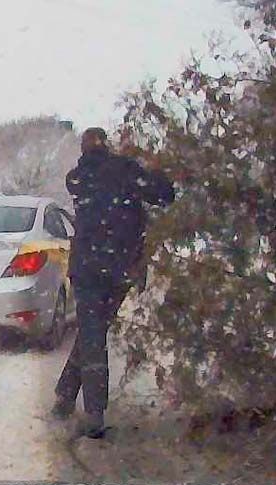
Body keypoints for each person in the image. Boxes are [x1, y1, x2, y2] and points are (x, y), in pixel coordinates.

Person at [52, 127, 175, 438]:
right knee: (95, 331)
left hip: (85, 267)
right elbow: (164, 195)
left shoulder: (76, 178)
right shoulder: (125, 170)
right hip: (119, 267)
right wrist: (154, 166)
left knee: (91, 332)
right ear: (107, 146)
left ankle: (66, 396)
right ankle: (93, 413)